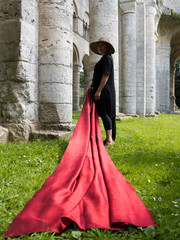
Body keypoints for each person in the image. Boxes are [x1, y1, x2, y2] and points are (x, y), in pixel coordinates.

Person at [90, 37, 116, 146]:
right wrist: (91, 86)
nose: (100, 47)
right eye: (98, 45)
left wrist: (98, 91)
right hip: (102, 89)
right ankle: (109, 138)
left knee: (105, 113)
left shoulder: (107, 58)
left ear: (107, 47)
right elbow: (99, 76)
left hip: (104, 91)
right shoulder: (104, 58)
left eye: (103, 45)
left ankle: (109, 139)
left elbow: (106, 75)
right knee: (104, 113)